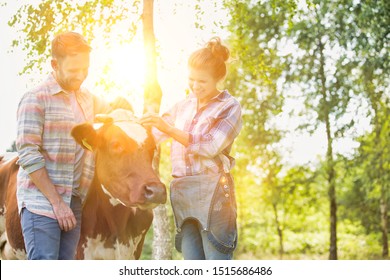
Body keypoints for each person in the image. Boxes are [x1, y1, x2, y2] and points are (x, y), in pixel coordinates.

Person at [16, 31, 131, 260]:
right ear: (54, 64)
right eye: (73, 71)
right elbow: (28, 154)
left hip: (74, 202)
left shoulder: (87, 98)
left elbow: (115, 115)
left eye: (85, 70)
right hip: (42, 204)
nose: (80, 76)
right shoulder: (35, 99)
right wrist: (57, 204)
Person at [140, 37, 242, 260]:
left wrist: (170, 129)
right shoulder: (183, 105)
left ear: (218, 78)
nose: (195, 87)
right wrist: (120, 123)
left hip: (213, 194)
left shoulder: (229, 106)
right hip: (183, 193)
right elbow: (153, 133)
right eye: (191, 80)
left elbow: (210, 145)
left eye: (202, 81)